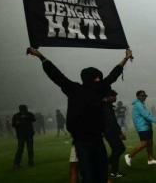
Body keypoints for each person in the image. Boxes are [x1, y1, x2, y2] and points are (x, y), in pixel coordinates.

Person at [27, 47, 132, 183]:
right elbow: (114, 74)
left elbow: (55, 75)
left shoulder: (74, 89)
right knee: (97, 174)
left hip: (82, 141)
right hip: (94, 140)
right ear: (96, 78)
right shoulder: (98, 89)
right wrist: (126, 58)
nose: (100, 79)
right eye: (98, 77)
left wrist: (40, 56)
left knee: (89, 175)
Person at [125, 90, 156, 166]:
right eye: (142, 95)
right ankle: (129, 156)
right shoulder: (138, 105)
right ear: (137, 96)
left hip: (147, 126)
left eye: (145, 96)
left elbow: (147, 115)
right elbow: (146, 115)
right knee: (144, 143)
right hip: (142, 127)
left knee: (150, 143)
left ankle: (150, 159)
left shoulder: (141, 104)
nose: (144, 97)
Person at [103, 90, 126, 178]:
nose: (115, 98)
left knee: (119, 149)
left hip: (110, 131)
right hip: (110, 132)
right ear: (108, 97)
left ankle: (108, 165)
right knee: (118, 149)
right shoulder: (105, 107)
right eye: (113, 96)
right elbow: (111, 122)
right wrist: (119, 133)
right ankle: (113, 171)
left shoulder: (108, 106)